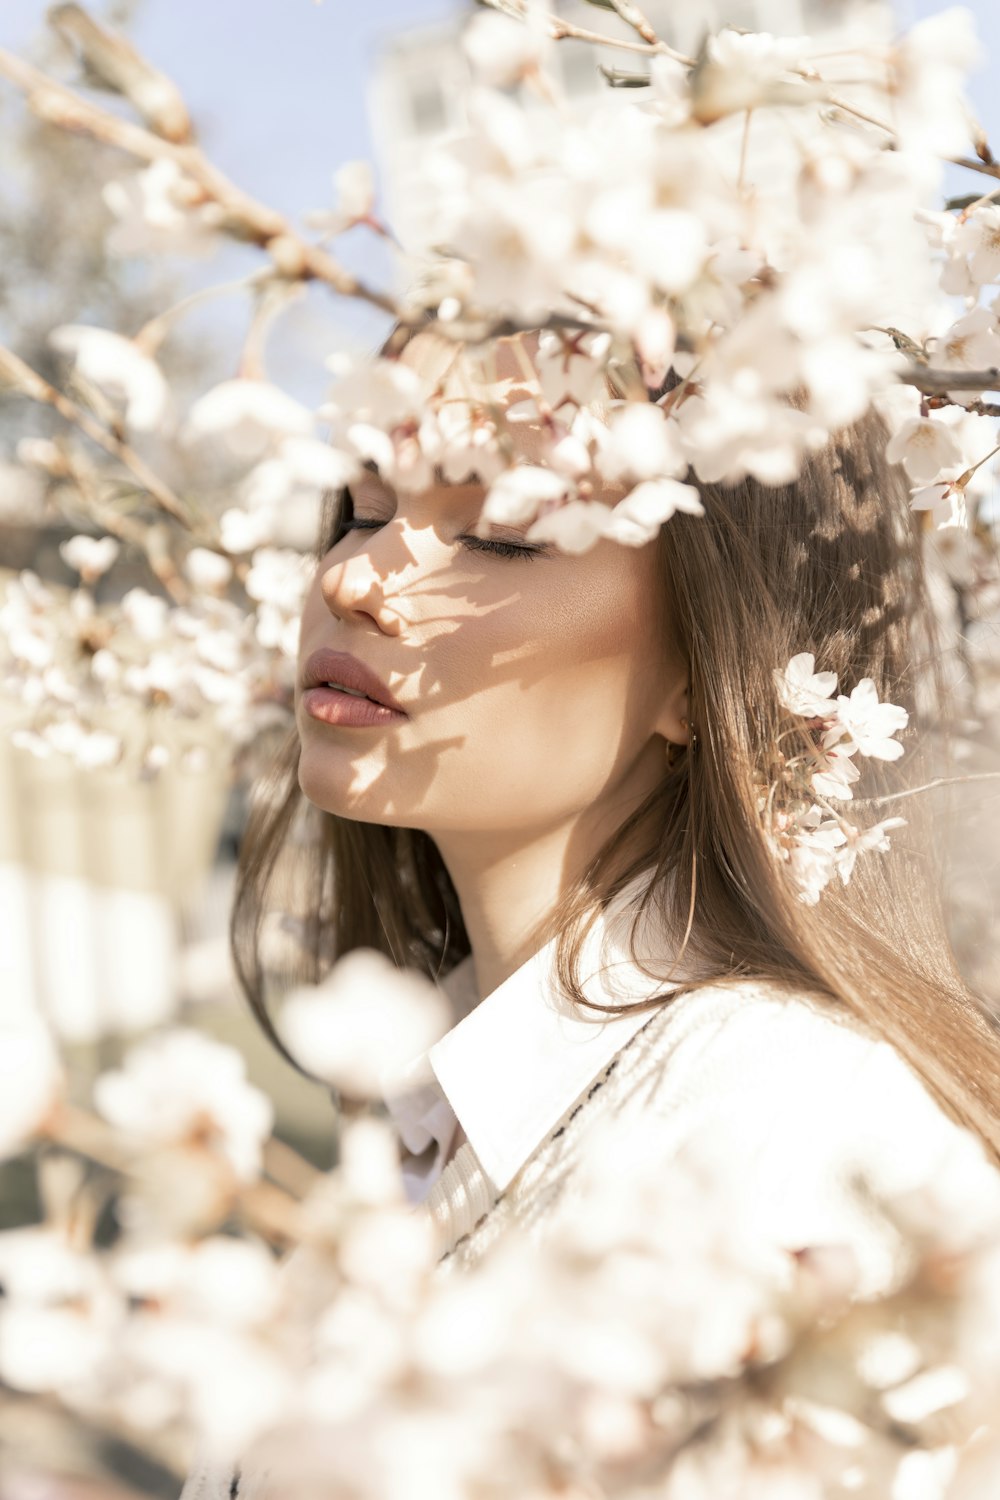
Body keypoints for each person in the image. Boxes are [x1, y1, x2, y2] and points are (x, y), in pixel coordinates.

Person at [181, 324, 1000, 1499]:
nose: (351, 578)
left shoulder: (791, 1146)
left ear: (707, 659)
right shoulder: (429, 1117)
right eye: (362, 510)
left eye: (500, 532)